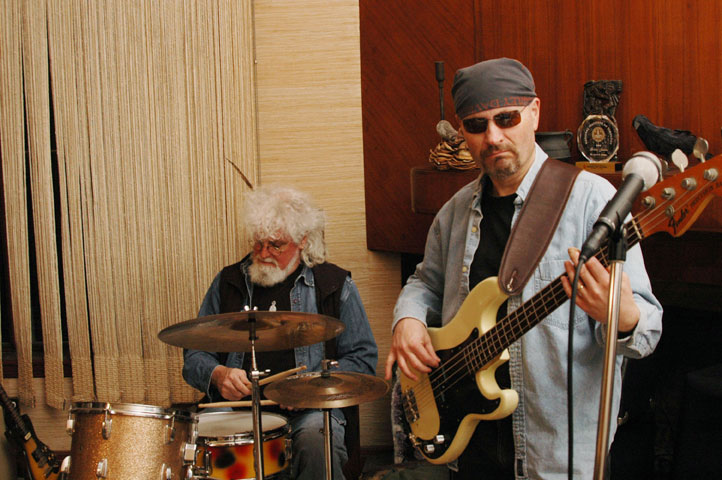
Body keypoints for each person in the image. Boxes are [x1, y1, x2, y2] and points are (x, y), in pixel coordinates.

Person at [384, 58, 663, 479]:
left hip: (555, 453)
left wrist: (622, 318)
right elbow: (425, 282)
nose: (493, 137)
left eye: (506, 118)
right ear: (462, 132)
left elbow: (647, 331)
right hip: (469, 441)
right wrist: (407, 319)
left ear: (534, 113)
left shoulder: (593, 201)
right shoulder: (453, 213)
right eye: (476, 125)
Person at [183, 184, 378, 480]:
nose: (263, 253)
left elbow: (363, 359)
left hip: (310, 413)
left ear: (302, 240)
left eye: (276, 245)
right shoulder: (228, 283)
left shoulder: (334, 285)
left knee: (316, 440)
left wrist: (312, 389)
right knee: (202, 440)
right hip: (236, 410)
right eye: (258, 243)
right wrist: (218, 374)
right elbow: (194, 355)